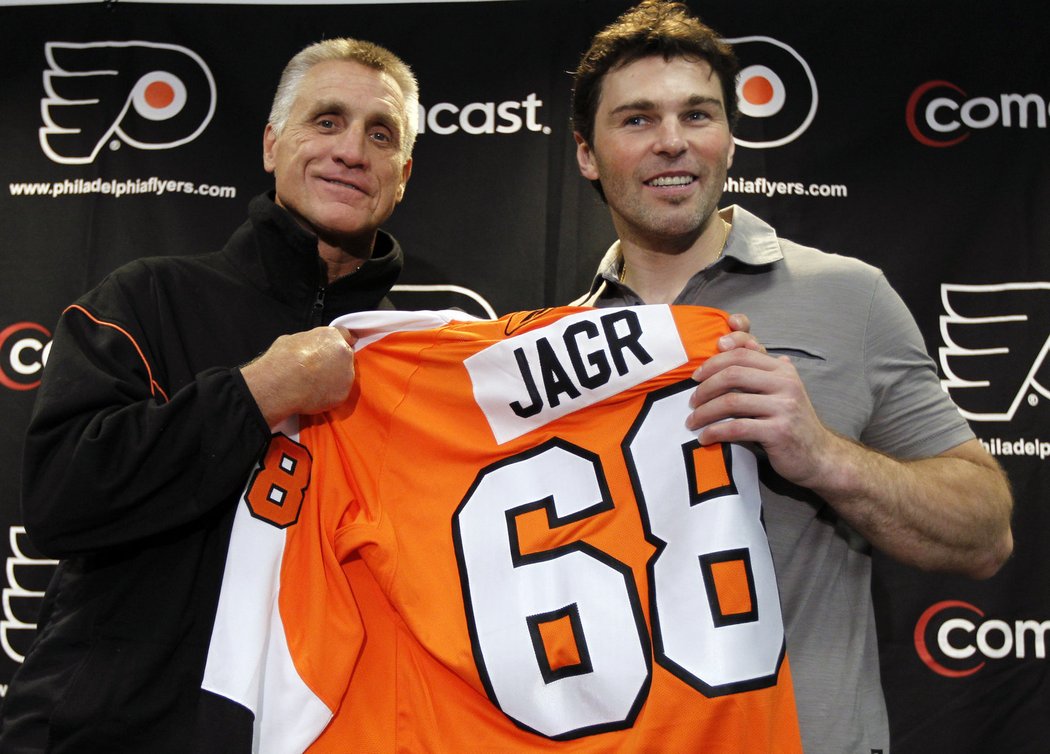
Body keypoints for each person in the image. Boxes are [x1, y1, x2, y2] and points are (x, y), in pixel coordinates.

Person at [568, 2, 1014, 752]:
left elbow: (987, 532)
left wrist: (823, 454)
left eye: (698, 115)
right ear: (587, 153)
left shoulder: (851, 294)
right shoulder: (555, 345)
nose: (673, 142)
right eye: (637, 119)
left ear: (731, 139)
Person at [0, 37, 417, 752]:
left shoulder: (418, 356)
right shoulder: (146, 297)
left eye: (380, 135)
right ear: (271, 144)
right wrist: (258, 391)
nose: (352, 150)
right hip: (111, 733)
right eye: (326, 121)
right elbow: (60, 496)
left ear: (402, 173)